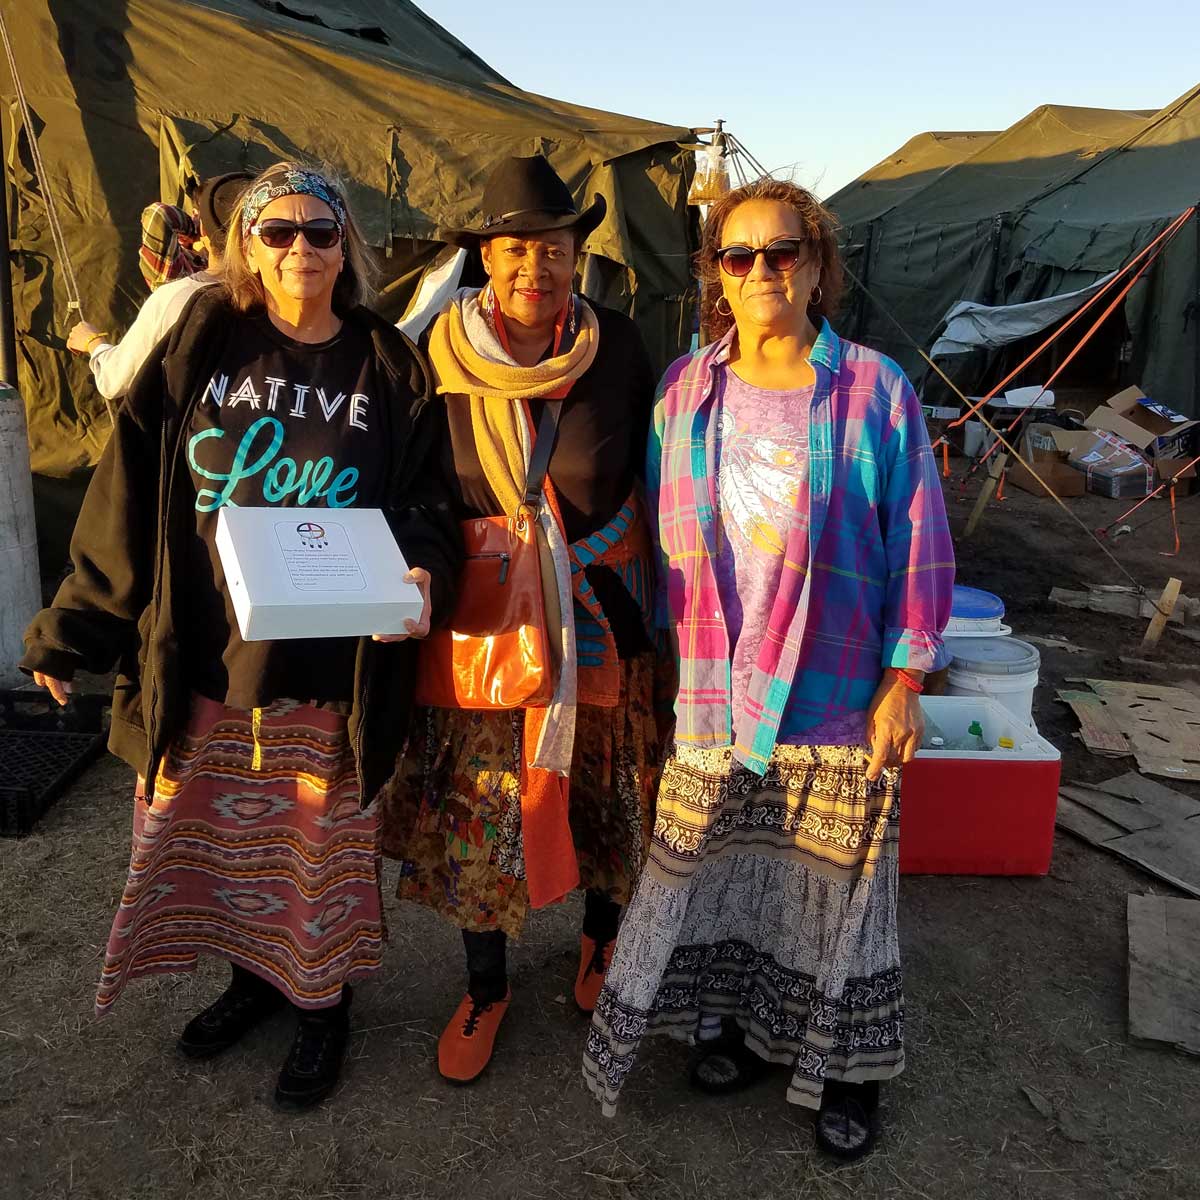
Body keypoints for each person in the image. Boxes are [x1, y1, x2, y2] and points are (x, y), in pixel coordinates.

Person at [23, 161, 460, 1111]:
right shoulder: (202, 341)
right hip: (212, 651)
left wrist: (422, 564)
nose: (302, 247)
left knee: (315, 843)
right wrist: (77, 626)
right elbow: (129, 488)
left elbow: (430, 498)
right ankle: (252, 983)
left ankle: (320, 1006)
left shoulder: (388, 362)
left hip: (336, 664)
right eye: (279, 232)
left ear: (349, 248)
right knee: (224, 840)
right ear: (245, 249)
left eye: (322, 231)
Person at [583, 178, 955, 1160]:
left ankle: (847, 1068)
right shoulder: (685, 391)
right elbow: (668, 549)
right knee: (729, 874)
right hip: (716, 685)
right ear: (715, 276)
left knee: (839, 889)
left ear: (819, 265)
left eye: (780, 253)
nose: (759, 273)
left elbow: (919, 538)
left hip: (838, 692)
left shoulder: (875, 391)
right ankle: (746, 1032)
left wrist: (906, 675)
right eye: (736, 257)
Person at [379, 155, 662, 1084]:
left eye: (552, 248)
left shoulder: (620, 348)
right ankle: (487, 987)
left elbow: (662, 479)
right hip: (487, 620)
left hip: (601, 612)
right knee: (486, 812)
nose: (533, 268)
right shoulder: (435, 361)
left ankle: (599, 944)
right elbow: (416, 489)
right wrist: (416, 566)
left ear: (579, 255)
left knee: (610, 800)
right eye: (513, 250)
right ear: (485, 258)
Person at [67, 173, 254, 399]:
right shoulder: (281, 291)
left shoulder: (177, 292)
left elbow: (113, 381)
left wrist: (93, 342)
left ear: (203, 229)